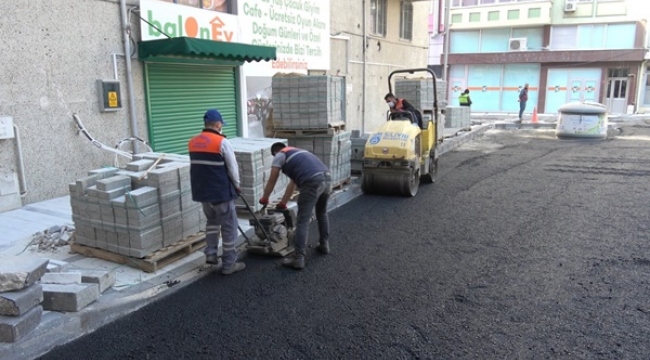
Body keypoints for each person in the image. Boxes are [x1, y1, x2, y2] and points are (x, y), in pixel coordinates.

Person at [188, 109, 246, 275]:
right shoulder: (221, 142)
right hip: (220, 192)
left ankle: (211, 254)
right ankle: (229, 264)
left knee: (212, 223)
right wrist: (237, 185)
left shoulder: (193, 142)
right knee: (229, 227)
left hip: (202, 192)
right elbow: (232, 167)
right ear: (218, 124)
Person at [259, 142, 331, 270]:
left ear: (276, 152)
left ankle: (298, 258)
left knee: (302, 220)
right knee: (322, 213)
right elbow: (292, 184)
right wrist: (283, 203)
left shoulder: (280, 155)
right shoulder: (299, 153)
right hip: (327, 178)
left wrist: (265, 198)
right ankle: (324, 245)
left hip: (312, 182)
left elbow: (272, 179)